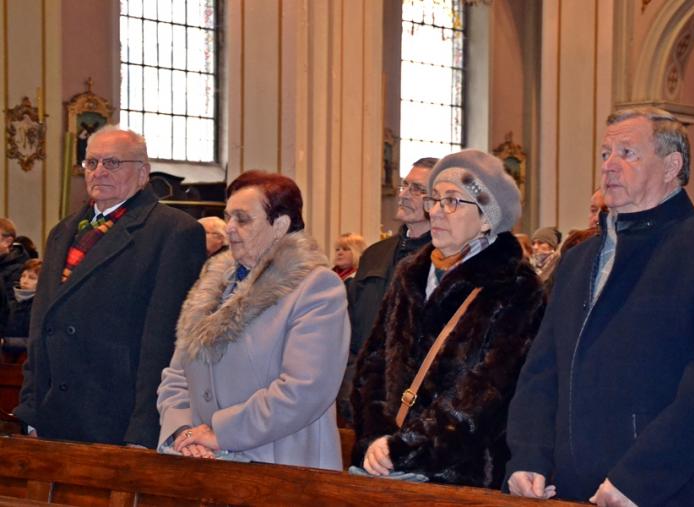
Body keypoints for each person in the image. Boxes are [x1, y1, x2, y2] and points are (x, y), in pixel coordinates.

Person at [505, 107, 694, 506]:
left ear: (671, 166)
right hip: (575, 491)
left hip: (672, 491)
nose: (609, 165)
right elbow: (543, 370)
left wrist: (637, 479)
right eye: (605, 154)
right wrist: (528, 456)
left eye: (627, 153)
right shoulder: (578, 260)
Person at [351, 149, 544, 488]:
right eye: (435, 199)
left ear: (486, 218)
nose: (436, 211)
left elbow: (487, 392)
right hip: (385, 465)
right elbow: (373, 363)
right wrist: (375, 438)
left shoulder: (514, 285)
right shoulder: (410, 273)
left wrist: (405, 449)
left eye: (452, 201)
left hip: (461, 474)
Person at [15, 127, 206, 447]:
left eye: (113, 163)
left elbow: (163, 342)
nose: (99, 171)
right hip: (54, 416)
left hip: (116, 419)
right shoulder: (62, 231)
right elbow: (40, 327)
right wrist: (31, 410)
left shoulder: (173, 231)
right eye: (92, 163)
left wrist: (144, 430)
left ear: (143, 173)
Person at [156, 170, 350, 470]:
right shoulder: (213, 285)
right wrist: (184, 431)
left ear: (279, 225)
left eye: (243, 219)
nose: (230, 228)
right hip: (203, 462)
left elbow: (304, 389)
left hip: (282, 465)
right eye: (228, 217)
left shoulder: (315, 287)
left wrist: (220, 433)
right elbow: (177, 375)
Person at [340, 157, 438, 423]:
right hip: (362, 401)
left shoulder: (445, 261)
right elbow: (350, 330)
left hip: (417, 409)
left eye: (417, 189)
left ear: (437, 200)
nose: (403, 194)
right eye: (405, 185)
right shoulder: (375, 254)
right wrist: (350, 387)